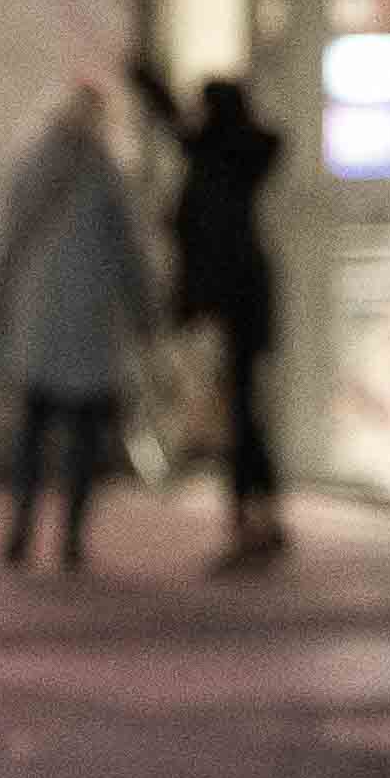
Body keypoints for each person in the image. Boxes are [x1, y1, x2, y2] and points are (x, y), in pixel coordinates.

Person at [0, 81, 150, 572]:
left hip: (40, 324)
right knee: (83, 437)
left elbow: (8, 244)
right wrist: (143, 311)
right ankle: (71, 539)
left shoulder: (28, 165)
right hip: (91, 327)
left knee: (32, 433)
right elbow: (129, 254)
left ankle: (20, 530)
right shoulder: (107, 173)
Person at [130, 57, 290, 568]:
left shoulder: (216, 162)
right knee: (245, 414)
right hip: (244, 305)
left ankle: (250, 521)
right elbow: (178, 122)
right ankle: (259, 517)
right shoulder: (237, 158)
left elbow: (179, 125)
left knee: (238, 417)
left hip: (226, 307)